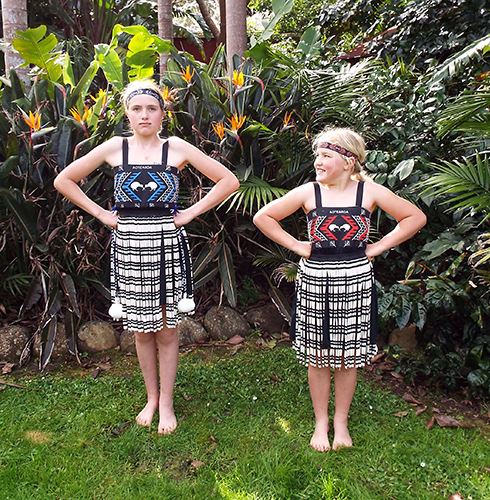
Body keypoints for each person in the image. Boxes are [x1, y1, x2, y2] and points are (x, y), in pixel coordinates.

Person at [54, 80, 239, 434]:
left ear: (162, 115)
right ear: (127, 113)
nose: (144, 114)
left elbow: (228, 181)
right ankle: (151, 398)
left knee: (168, 330)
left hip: (168, 243)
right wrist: (103, 215)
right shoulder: (114, 148)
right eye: (137, 109)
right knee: (141, 331)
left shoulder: (176, 149)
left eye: (151, 108)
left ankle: (166, 403)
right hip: (129, 245)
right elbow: (65, 180)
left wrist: (187, 214)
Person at [253, 127, 426, 452]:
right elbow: (264, 217)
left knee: (347, 357)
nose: (318, 162)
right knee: (317, 356)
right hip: (316, 280)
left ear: (349, 161)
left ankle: (341, 421)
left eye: (326, 156)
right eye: (318, 155)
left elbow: (414, 217)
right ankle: (321, 421)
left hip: (355, 281)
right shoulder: (309, 193)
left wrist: (377, 248)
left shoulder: (369, 192)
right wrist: (297, 245)